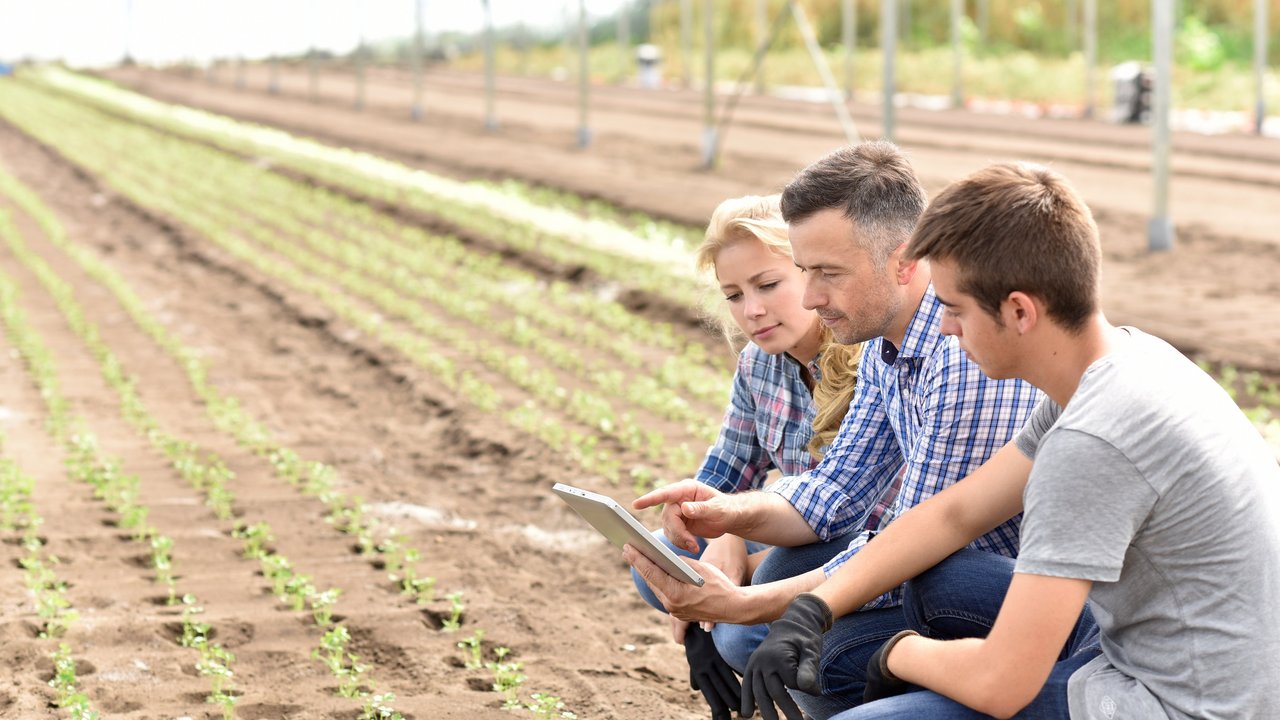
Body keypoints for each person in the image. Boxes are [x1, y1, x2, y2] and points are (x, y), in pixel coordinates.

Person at [742, 162, 1280, 720]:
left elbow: (1001, 685)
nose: (945, 328)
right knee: (936, 581)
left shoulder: (1093, 441)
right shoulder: (1124, 361)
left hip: (1179, 703)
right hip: (1170, 651)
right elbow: (955, 514)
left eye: (955, 309)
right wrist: (813, 607)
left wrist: (896, 654)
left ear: (1019, 311)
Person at [626, 142, 1042, 719]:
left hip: (997, 591)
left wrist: (759, 607)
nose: (811, 296)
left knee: (789, 640)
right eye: (804, 272)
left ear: (903, 260)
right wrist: (727, 515)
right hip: (936, 575)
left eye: (825, 274)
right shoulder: (882, 345)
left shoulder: (961, 356)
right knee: (748, 606)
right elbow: (838, 490)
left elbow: (911, 547)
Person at [630, 193, 865, 720]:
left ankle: (842, 697)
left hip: (862, 545)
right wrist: (716, 534)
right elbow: (722, 475)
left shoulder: (866, 356)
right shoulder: (761, 366)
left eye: (768, 285)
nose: (751, 310)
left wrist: (737, 568)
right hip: (799, 525)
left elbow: (862, 510)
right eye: (733, 294)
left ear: (809, 272)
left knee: (748, 610)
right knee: (656, 558)